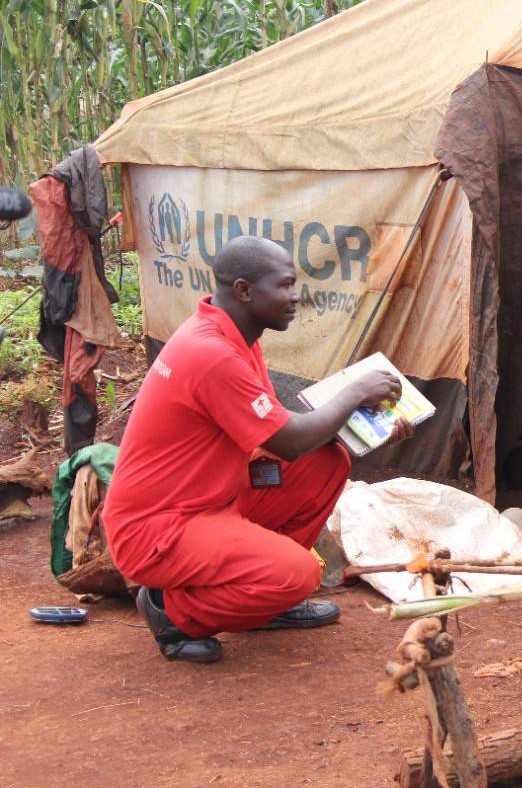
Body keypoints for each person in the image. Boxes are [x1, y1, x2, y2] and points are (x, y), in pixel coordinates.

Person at [102, 236, 411, 663]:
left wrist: (367, 427)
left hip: (207, 499)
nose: (295, 297)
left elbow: (279, 430)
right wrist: (356, 392)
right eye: (284, 285)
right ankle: (170, 610)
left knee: (326, 463)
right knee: (297, 574)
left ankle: (263, 603)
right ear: (245, 290)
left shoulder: (236, 338)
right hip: (160, 528)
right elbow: (288, 440)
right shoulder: (211, 354)